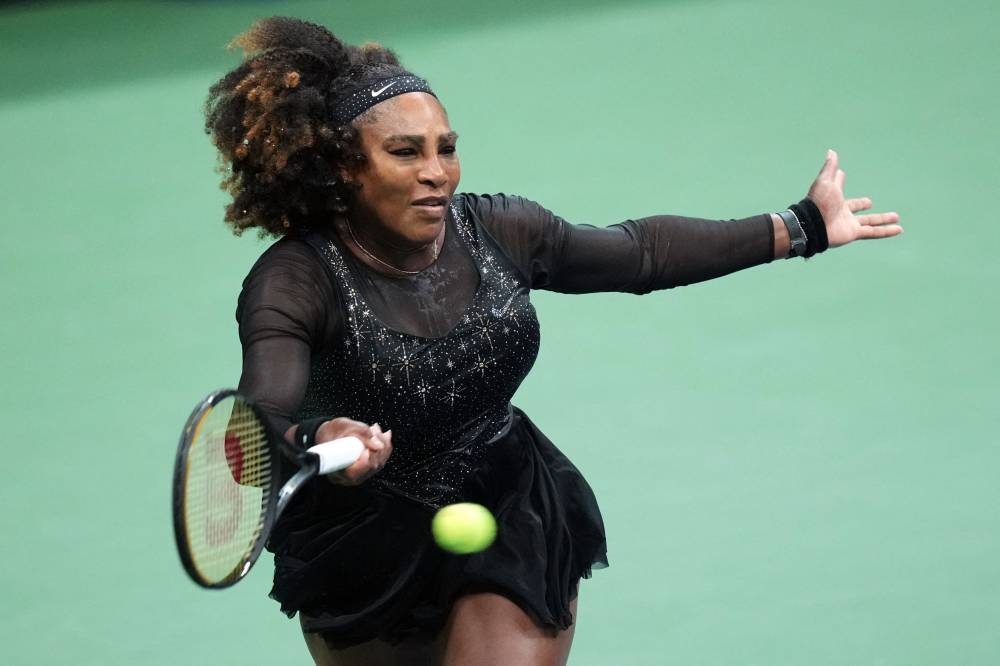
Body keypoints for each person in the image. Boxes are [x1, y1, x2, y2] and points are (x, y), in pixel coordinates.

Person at [205, 16, 902, 666]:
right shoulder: (294, 282)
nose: (436, 173)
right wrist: (321, 435)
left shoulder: (501, 232)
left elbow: (639, 254)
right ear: (344, 168)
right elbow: (258, 424)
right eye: (404, 152)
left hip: (509, 506)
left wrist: (804, 225)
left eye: (446, 149)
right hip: (360, 546)